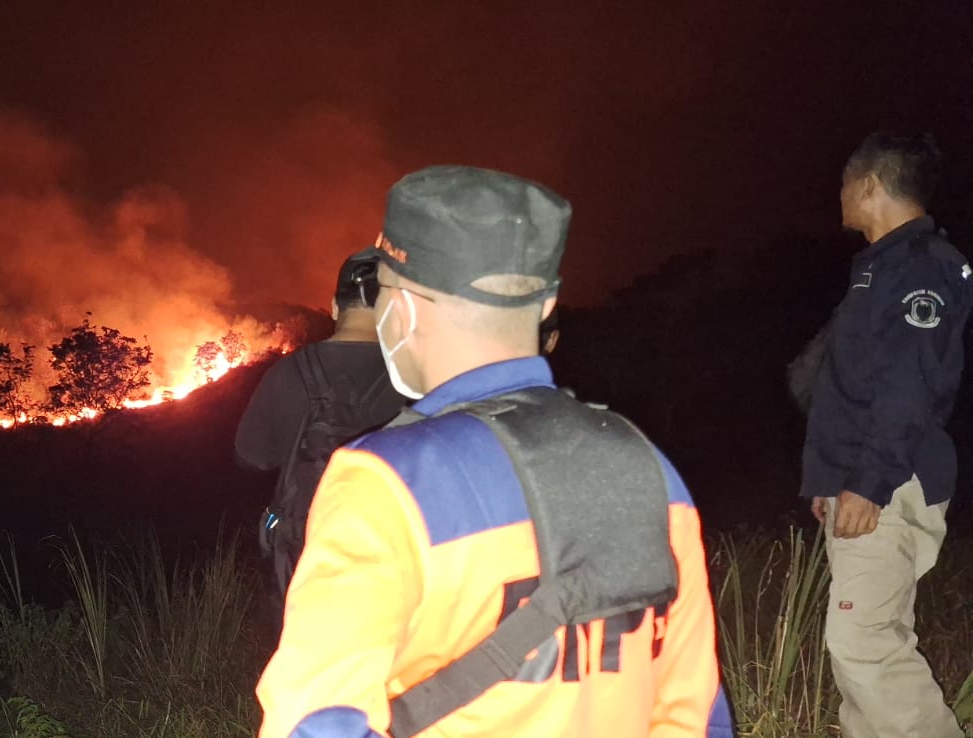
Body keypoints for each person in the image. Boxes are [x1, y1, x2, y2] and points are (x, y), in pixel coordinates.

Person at [255, 165, 732, 738]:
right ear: (544, 305)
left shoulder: (382, 483)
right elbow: (695, 712)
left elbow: (315, 721)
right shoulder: (650, 469)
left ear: (402, 308)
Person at [801, 131, 968, 738]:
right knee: (866, 647)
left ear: (870, 185)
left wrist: (869, 483)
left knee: (862, 643)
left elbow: (908, 388)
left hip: (891, 484)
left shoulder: (920, 269)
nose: (839, 194)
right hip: (866, 481)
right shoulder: (880, 268)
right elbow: (857, 389)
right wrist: (832, 479)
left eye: (846, 182)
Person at [235, 247, 407, 598]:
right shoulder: (415, 379)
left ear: (333, 306)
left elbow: (249, 456)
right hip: (393, 564)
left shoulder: (286, 373)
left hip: (307, 559)